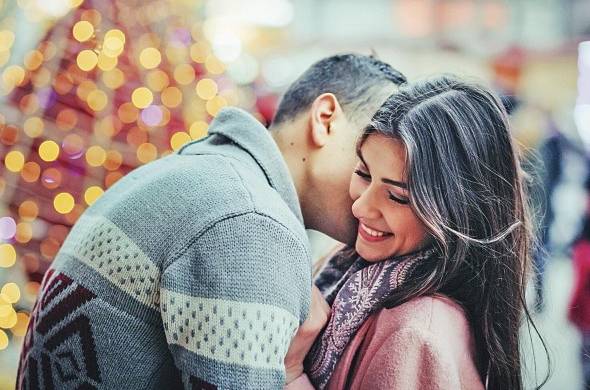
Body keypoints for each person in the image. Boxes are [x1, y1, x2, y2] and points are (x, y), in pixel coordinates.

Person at [16, 54, 406, 389]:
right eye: (369, 157)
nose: (376, 189)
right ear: (325, 119)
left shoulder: (206, 174)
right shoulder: (250, 223)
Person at [287, 75, 548, 390]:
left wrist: (291, 373)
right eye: (363, 174)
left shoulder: (417, 333)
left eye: (398, 197)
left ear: (458, 210)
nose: (361, 208)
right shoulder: (356, 271)